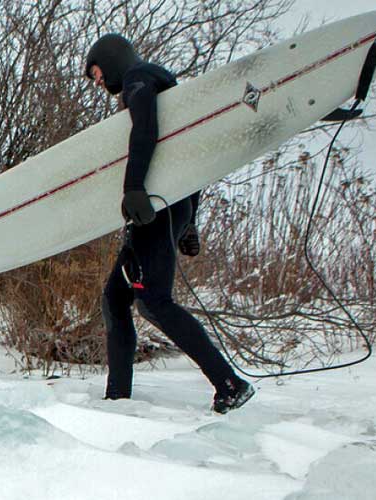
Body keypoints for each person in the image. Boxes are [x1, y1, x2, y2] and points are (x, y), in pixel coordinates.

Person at [85, 34, 253, 414]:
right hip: (164, 207)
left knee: (154, 302)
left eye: (96, 73)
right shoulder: (161, 84)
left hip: (155, 206)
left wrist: (132, 188)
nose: (97, 82)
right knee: (115, 298)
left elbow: (145, 129)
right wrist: (190, 225)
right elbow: (186, 162)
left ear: (111, 60)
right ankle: (118, 399)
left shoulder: (139, 77)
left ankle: (229, 383)